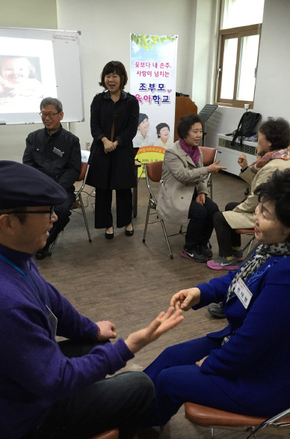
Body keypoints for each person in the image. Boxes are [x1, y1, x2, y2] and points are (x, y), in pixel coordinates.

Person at [0, 160, 184, 439]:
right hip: (28, 417)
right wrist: (130, 346)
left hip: (25, 383)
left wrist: (90, 329)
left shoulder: (13, 253)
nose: (54, 217)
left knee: (91, 345)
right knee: (140, 386)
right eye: (46, 211)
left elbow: (50, 298)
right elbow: (56, 381)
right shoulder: (7, 304)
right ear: (9, 222)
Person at [143, 167, 290, 428]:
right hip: (241, 352)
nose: (255, 215)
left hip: (261, 380)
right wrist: (201, 292)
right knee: (169, 357)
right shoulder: (272, 249)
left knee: (169, 379)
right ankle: (127, 409)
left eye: (265, 214)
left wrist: (214, 363)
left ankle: (137, 426)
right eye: (259, 208)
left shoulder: (285, 275)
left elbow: (252, 341)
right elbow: (240, 280)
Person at [208, 117, 290, 273]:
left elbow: (257, 198)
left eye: (260, 137)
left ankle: (227, 259)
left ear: (270, 142)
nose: (258, 141)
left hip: (268, 215)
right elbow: (258, 184)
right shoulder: (279, 159)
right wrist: (245, 168)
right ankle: (236, 249)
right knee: (231, 206)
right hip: (274, 212)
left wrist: (238, 210)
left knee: (219, 216)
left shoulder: (272, 166)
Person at [157, 114, 226, 262]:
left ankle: (201, 242)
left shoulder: (196, 150)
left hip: (191, 191)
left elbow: (198, 174)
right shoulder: (172, 152)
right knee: (200, 212)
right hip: (174, 195)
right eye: (195, 131)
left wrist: (201, 191)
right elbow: (183, 175)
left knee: (213, 209)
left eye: (200, 131)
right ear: (184, 132)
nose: (199, 135)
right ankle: (189, 248)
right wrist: (207, 170)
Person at [23, 97, 81, 259]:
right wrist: (39, 185)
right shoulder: (33, 138)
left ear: (60, 115)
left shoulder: (71, 140)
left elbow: (73, 169)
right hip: (37, 188)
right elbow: (28, 164)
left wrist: (56, 187)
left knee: (61, 211)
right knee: (19, 208)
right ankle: (26, 243)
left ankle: (44, 244)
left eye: (50, 114)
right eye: (43, 114)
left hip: (60, 188)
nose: (46, 118)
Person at [86, 61, 139, 240]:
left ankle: (126, 222)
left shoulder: (131, 101)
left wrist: (115, 143)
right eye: (108, 76)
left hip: (122, 150)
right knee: (103, 189)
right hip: (102, 150)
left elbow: (132, 128)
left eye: (115, 76)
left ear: (122, 78)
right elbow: (94, 126)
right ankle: (107, 224)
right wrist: (104, 140)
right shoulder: (98, 100)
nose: (111, 79)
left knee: (124, 189)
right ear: (104, 78)